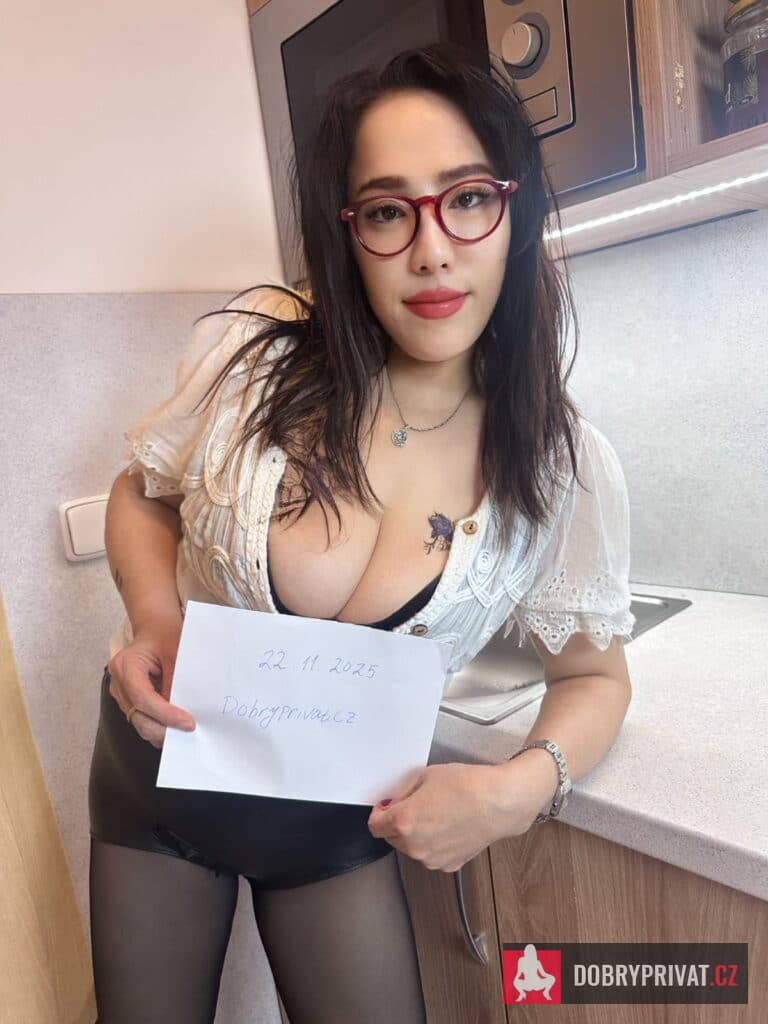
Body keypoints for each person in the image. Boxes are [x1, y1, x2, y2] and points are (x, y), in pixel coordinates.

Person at [88, 42, 635, 1024]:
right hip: (157, 779)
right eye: (388, 211)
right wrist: (157, 619)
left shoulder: (560, 462)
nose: (433, 250)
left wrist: (514, 793)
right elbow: (143, 493)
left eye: (468, 197)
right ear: (347, 232)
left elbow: (594, 678)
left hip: (336, 833)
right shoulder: (253, 355)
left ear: (516, 212)